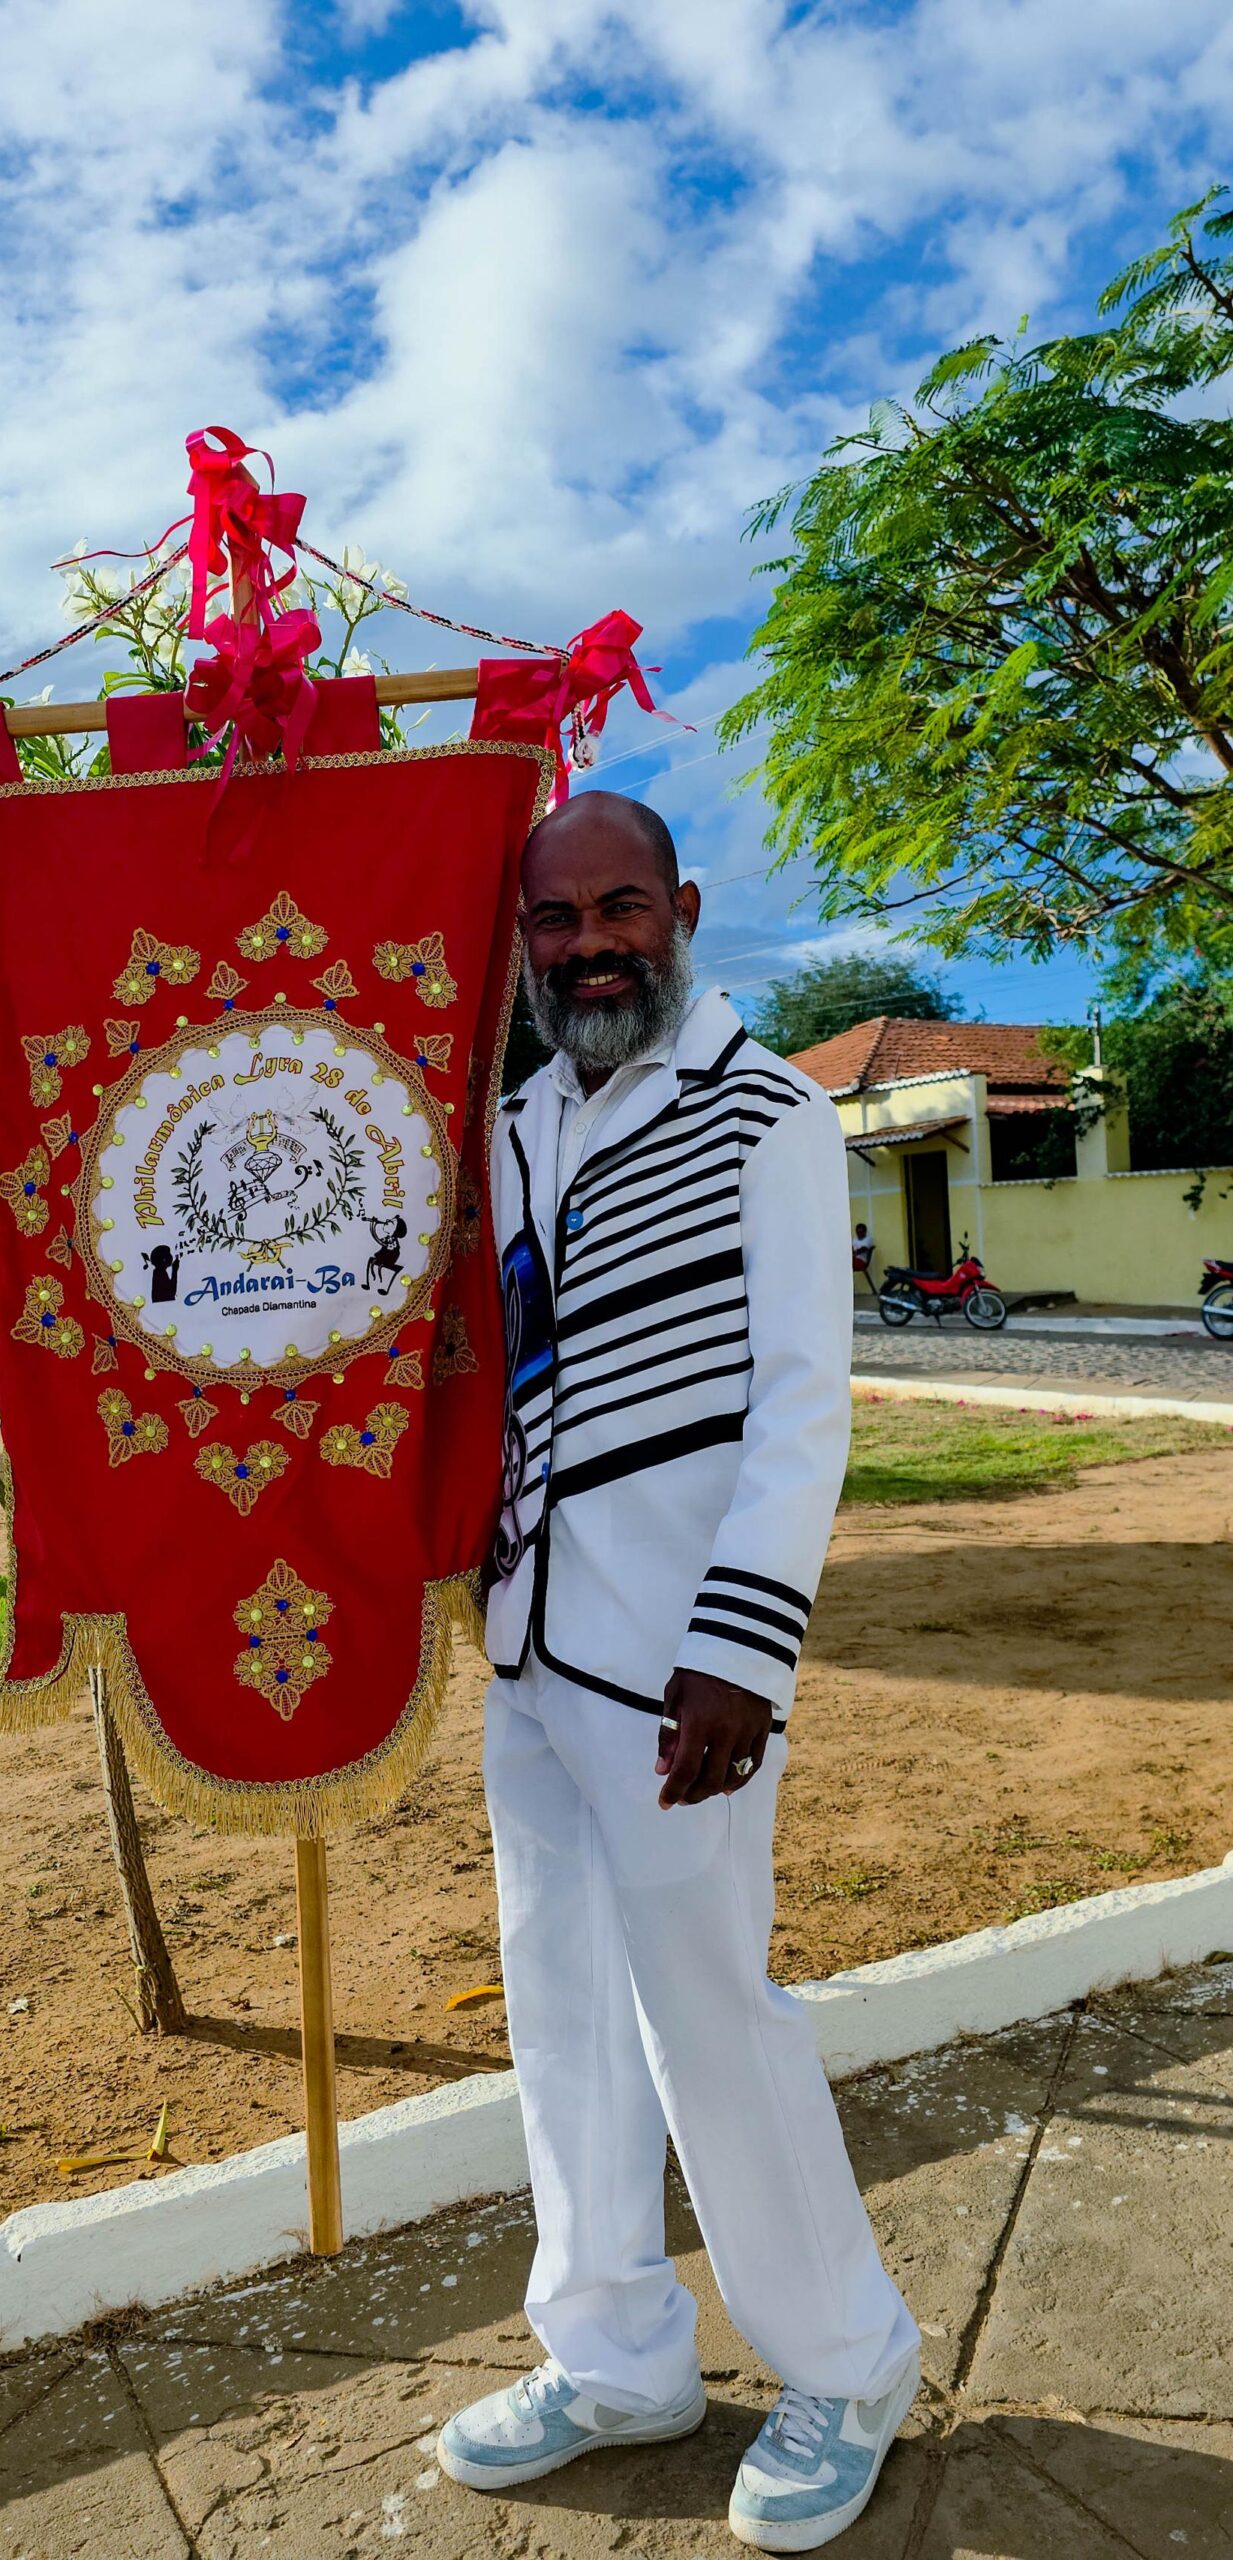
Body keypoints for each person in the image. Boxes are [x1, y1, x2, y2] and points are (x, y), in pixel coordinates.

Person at [436, 793, 921, 2551]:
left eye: (619, 909)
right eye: (555, 921)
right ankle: (615, 2354)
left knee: (711, 2016)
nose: (588, 948)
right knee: (560, 2011)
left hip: (678, 1679)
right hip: (527, 1645)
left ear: (682, 909)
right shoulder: (511, 1126)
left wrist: (739, 1651)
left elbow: (801, 1405)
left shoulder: (764, 1111)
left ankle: (847, 2363)